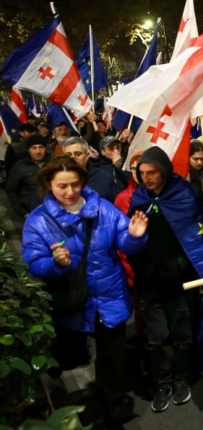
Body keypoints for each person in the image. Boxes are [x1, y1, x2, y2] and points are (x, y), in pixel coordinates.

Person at [22, 156, 149, 424]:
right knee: (69, 354)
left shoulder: (103, 208)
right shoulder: (38, 220)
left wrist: (135, 236)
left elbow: (123, 241)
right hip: (70, 300)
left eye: (75, 184)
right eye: (62, 186)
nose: (70, 192)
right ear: (48, 185)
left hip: (109, 295)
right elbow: (33, 263)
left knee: (112, 357)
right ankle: (68, 401)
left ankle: (114, 403)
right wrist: (56, 264)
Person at [127, 146, 203, 412]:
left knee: (182, 336)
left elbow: (196, 232)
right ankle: (162, 383)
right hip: (151, 282)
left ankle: (181, 380)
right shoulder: (139, 199)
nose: (146, 178)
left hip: (181, 281)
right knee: (155, 339)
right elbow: (132, 243)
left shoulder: (185, 194)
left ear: (164, 170)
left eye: (152, 172)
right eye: (142, 173)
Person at [62, 136, 130, 203]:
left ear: (87, 155)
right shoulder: (57, 179)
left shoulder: (103, 177)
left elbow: (116, 202)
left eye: (78, 154)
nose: (73, 158)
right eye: (68, 155)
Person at [6, 133, 50, 218]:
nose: (38, 151)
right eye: (34, 148)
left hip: (54, 212)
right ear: (28, 150)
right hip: (31, 213)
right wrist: (22, 212)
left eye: (41, 147)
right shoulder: (19, 167)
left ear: (45, 148)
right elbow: (11, 191)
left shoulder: (55, 164)